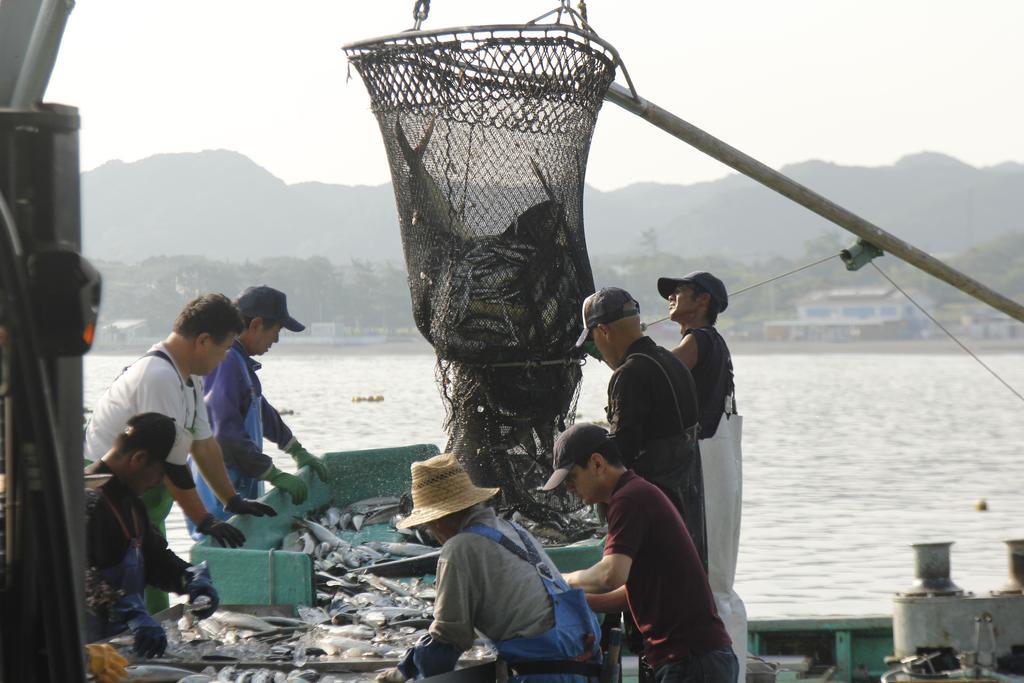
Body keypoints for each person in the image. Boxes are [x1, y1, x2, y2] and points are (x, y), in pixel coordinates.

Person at [84, 293, 275, 613]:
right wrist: (204, 521)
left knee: (148, 568)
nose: (225, 358)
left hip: (141, 490)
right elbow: (169, 465)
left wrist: (231, 499)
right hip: (105, 492)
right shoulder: (158, 377)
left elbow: (204, 443)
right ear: (203, 341)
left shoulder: (188, 378)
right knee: (124, 580)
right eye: (225, 348)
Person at [377, 452, 602, 682]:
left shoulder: (459, 547)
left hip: (545, 675)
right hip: (587, 666)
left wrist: (405, 672)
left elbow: (449, 638)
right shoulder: (514, 530)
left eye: (428, 527)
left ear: (436, 521)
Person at [545, 423, 736, 683]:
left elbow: (611, 575)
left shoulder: (628, 500)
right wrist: (574, 600)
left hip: (692, 661)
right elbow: (631, 592)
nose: (568, 488)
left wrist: (562, 579)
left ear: (597, 463)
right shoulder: (634, 494)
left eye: (571, 477)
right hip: (697, 658)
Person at [575, 286, 706, 567]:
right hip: (685, 517)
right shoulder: (672, 362)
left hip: (650, 522)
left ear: (604, 332)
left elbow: (620, 455)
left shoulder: (630, 375)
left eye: (594, 339)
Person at [659, 271, 747, 676]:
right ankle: (732, 666)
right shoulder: (714, 345)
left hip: (708, 466)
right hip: (721, 462)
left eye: (681, 291)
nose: (672, 296)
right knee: (717, 576)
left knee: (709, 573)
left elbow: (658, 376)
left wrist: (623, 349)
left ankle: (714, 666)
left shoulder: (700, 340)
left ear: (704, 300)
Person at [188, 286, 327, 538]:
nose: (276, 339)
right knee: (220, 555)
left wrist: (294, 448)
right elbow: (225, 433)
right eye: (277, 331)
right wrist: (271, 472)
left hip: (240, 488)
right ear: (256, 324)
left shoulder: (240, 362)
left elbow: (260, 408)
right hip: (221, 496)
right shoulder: (227, 360)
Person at [84, 413, 220, 659]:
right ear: (139, 459)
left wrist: (188, 577)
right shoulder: (86, 500)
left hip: (117, 651)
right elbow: (73, 575)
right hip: (81, 653)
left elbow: (155, 559)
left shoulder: (132, 505)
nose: (161, 484)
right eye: (162, 475)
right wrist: (129, 611)